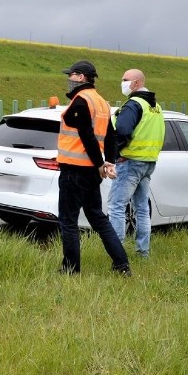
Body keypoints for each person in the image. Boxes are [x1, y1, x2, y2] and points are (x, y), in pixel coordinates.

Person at [56, 60, 131, 277]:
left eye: (71, 75)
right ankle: (121, 264)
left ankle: (70, 270)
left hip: (75, 170)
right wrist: (108, 162)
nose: (68, 79)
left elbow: (87, 136)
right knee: (97, 218)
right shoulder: (101, 102)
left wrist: (101, 163)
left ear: (80, 77)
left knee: (68, 221)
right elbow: (110, 135)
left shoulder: (81, 101)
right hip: (91, 172)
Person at [107, 69, 165, 258]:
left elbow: (122, 130)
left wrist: (116, 154)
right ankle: (143, 252)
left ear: (137, 83)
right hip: (148, 162)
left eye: (125, 80)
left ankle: (117, 255)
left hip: (130, 161)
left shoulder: (133, 104)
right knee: (141, 208)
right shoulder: (155, 107)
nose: (122, 83)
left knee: (116, 207)